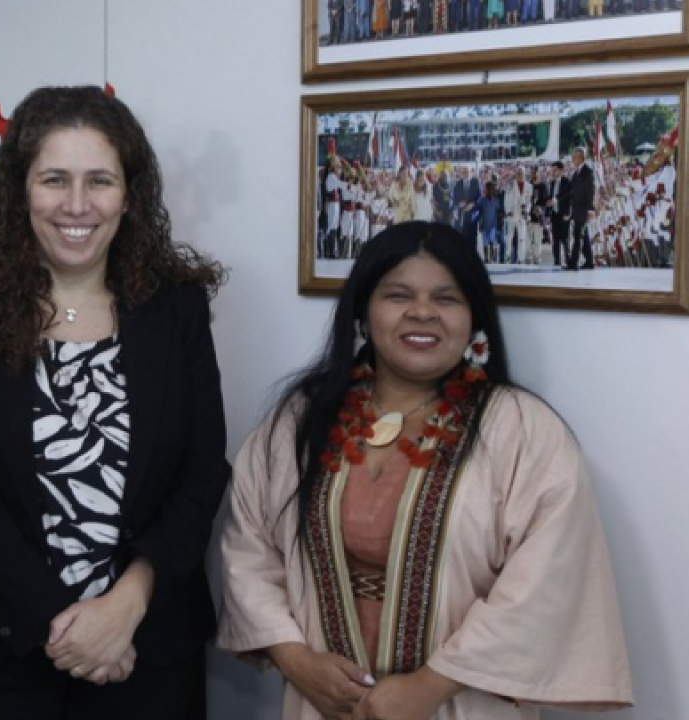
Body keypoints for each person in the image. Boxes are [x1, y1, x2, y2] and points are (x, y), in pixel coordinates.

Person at [216, 221, 632, 720]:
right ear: (364, 315)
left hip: (461, 702)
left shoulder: (521, 430)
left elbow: (543, 583)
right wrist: (295, 658)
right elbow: (249, 550)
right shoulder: (302, 422)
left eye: (446, 298)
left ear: (474, 317)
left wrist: (429, 687)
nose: (422, 312)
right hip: (321, 705)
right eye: (397, 295)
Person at [0, 85, 230, 720]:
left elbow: (201, 470)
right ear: (21, 188)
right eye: (55, 179)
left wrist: (128, 602)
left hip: (147, 647)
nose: (77, 205)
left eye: (99, 181)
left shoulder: (175, 308)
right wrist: (70, 628)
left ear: (129, 194)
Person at [567, 146, 596, 270]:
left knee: (578, 235)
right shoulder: (576, 172)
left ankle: (573, 262)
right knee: (584, 236)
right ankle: (589, 261)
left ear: (582, 157)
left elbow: (591, 191)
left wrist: (590, 208)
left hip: (584, 209)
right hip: (576, 209)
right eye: (573, 156)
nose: (573, 159)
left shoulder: (587, 171)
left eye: (576, 156)